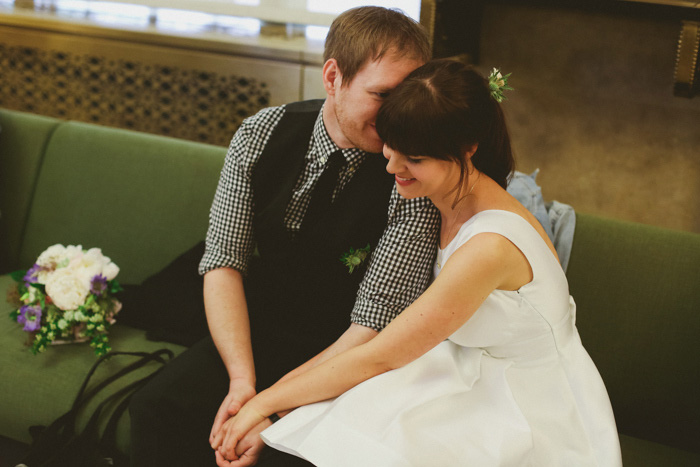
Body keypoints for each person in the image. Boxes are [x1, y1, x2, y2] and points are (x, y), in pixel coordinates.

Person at [210, 59, 623, 466]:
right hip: (464, 368)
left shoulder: (490, 246)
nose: (391, 166)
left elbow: (381, 354)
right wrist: (267, 404)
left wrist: (263, 405)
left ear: (468, 149)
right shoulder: (440, 198)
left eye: (415, 158)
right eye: (391, 146)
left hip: (527, 401)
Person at [128, 7, 439, 467]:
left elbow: (374, 323)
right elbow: (223, 262)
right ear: (333, 77)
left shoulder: (412, 171)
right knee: (157, 408)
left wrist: (274, 408)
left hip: (350, 354)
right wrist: (242, 384)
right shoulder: (261, 133)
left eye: (408, 97)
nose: (399, 115)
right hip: (259, 327)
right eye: (382, 95)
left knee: (281, 454)